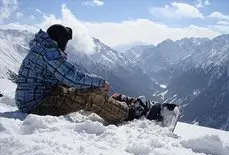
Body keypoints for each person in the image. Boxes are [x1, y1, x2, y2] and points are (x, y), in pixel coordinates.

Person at [15, 24, 176, 124]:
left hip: (36, 98)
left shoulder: (41, 49)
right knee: (91, 97)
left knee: (84, 91)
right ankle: (131, 112)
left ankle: (115, 104)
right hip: (37, 104)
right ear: (60, 41)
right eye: (66, 42)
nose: (66, 47)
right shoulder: (49, 53)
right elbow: (73, 78)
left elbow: (63, 79)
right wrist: (100, 83)